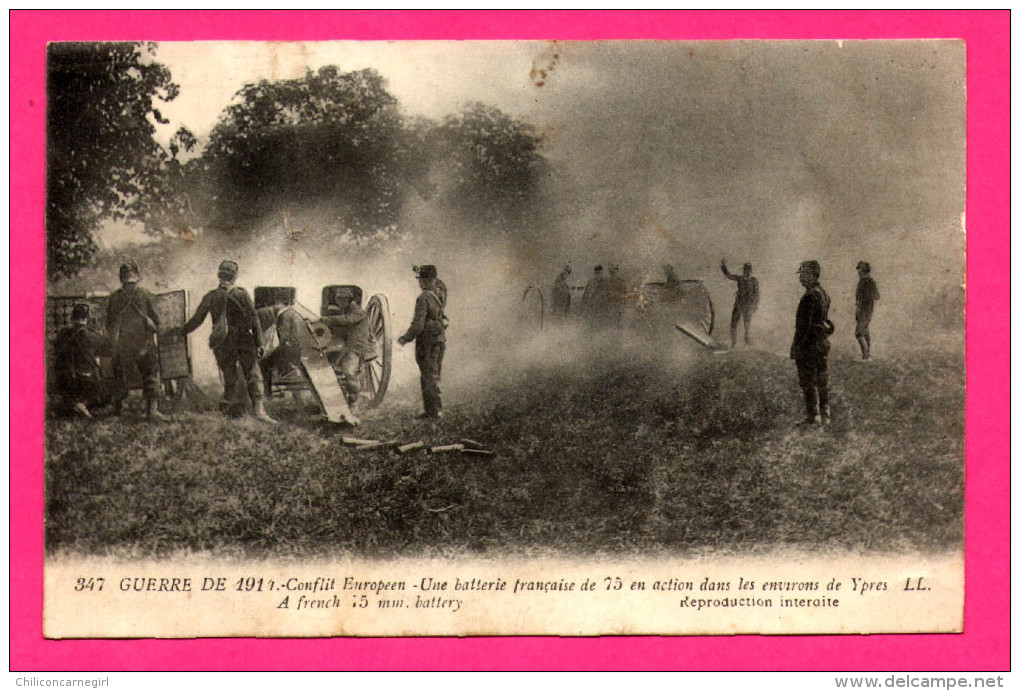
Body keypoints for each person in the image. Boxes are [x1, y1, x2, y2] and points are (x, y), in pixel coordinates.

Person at [182, 260, 275, 423]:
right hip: (244, 341)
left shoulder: (211, 296)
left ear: (219, 276)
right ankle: (259, 412)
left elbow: (196, 320)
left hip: (223, 343)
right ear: (235, 277)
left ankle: (226, 413)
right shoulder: (241, 293)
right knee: (253, 374)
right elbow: (254, 320)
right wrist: (259, 343)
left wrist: (179, 331)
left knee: (229, 377)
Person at [105, 261, 167, 421]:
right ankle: (152, 412)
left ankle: (118, 412)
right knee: (151, 373)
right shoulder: (144, 293)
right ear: (137, 276)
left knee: (119, 374)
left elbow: (109, 324)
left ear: (121, 278)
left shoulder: (115, 297)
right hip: (144, 342)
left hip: (124, 343)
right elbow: (157, 320)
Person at [397, 265, 447, 419]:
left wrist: (404, 338)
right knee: (434, 372)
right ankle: (435, 409)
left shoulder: (423, 298)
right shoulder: (439, 294)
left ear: (425, 281)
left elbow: (418, 325)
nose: (419, 283)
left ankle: (434, 411)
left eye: (421, 280)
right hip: (439, 338)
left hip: (427, 341)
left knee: (428, 374)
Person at [791, 260, 833, 425]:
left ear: (812, 275)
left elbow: (803, 327)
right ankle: (825, 414)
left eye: (803, 275)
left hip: (809, 345)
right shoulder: (823, 293)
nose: (800, 278)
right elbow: (824, 320)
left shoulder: (808, 297)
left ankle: (813, 416)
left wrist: (796, 347)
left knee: (808, 381)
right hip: (822, 343)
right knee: (822, 379)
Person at [53, 302, 114, 417]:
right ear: (87, 318)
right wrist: (99, 332)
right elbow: (108, 351)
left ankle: (71, 404)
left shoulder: (62, 334)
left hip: (64, 381)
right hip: (86, 381)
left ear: (72, 317)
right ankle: (82, 404)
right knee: (108, 393)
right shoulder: (92, 336)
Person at [320, 287, 378, 407]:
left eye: (339, 301)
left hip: (358, 347)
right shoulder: (347, 309)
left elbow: (346, 321)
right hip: (349, 345)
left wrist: (323, 319)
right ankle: (341, 396)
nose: (337, 303)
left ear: (346, 300)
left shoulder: (356, 311)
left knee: (349, 371)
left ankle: (354, 399)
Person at [721, 259, 759, 348]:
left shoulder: (754, 280)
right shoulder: (740, 279)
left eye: (748, 269)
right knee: (733, 324)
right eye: (745, 269)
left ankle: (746, 343)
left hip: (748, 305)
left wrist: (755, 305)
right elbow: (729, 275)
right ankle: (733, 343)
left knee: (747, 325)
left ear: (750, 270)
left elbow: (757, 294)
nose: (747, 271)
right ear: (743, 270)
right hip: (739, 305)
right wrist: (723, 267)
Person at [855, 261, 880, 360]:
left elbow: (876, 296)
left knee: (858, 333)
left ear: (863, 270)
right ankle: (867, 354)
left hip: (864, 311)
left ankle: (865, 356)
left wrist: (861, 305)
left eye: (859, 269)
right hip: (864, 311)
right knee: (865, 331)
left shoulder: (868, 282)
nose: (858, 271)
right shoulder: (864, 281)